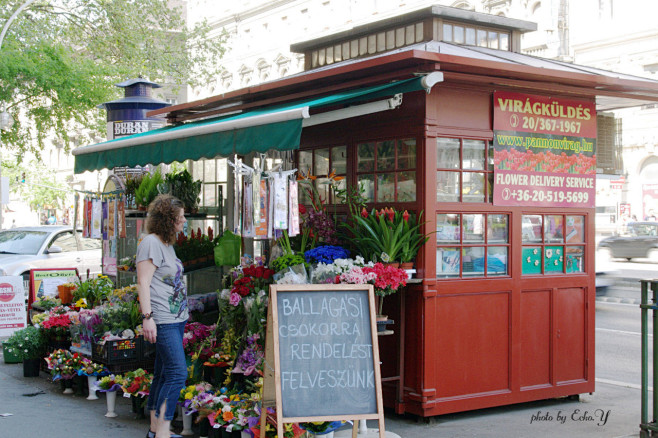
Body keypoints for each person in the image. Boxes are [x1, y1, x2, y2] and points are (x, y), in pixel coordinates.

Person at [136, 194, 188, 438]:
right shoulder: (150, 243)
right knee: (178, 373)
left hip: (176, 318)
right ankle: (162, 430)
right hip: (163, 319)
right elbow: (143, 282)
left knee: (164, 373)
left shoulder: (166, 243)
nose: (184, 221)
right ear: (169, 220)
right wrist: (147, 317)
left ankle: (155, 431)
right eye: (180, 217)